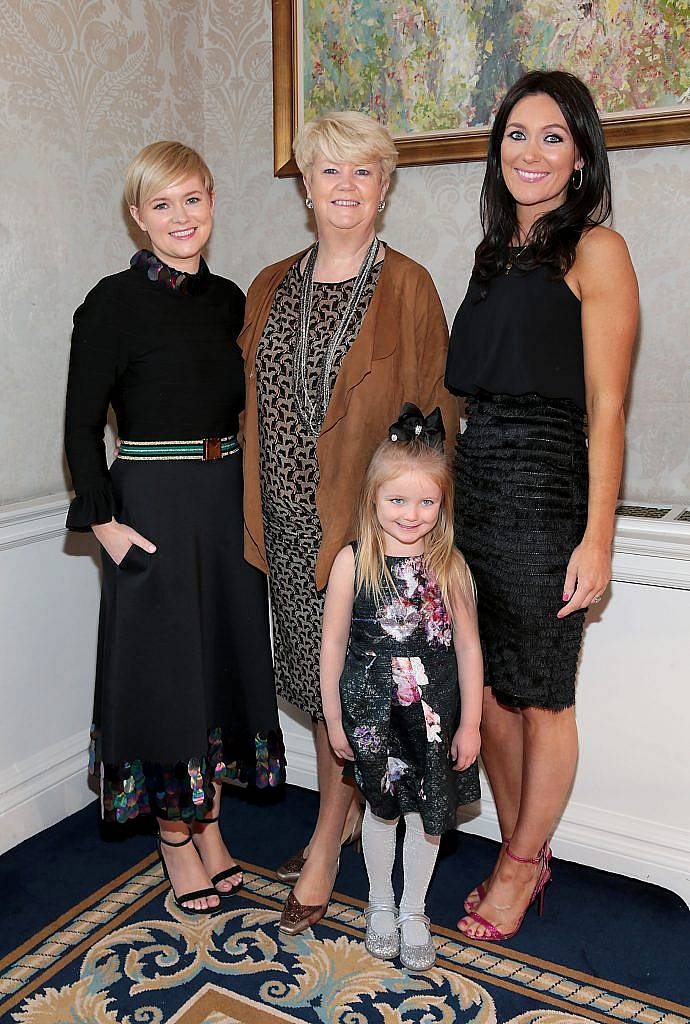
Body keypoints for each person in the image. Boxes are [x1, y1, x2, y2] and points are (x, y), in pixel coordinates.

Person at [237, 111, 459, 933]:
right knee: (315, 686)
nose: (345, 188)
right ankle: (333, 824)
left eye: (363, 173)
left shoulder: (408, 286)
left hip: (368, 539)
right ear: (305, 185)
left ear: (386, 186)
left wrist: (417, 546)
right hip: (289, 528)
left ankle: (329, 843)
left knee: (353, 694)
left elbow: (437, 423)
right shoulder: (267, 286)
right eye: (329, 171)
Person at [64, 141, 283, 916]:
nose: (181, 216)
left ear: (213, 202)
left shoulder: (230, 300)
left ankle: (212, 828)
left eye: (193, 199)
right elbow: (81, 425)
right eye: (162, 204)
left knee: (217, 666)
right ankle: (173, 839)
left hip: (226, 500)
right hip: (150, 504)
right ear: (138, 218)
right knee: (162, 676)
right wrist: (107, 525)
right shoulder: (109, 304)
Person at [445, 71, 638, 941]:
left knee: (543, 696)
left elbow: (608, 407)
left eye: (552, 136)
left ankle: (519, 864)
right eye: (516, 134)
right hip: (475, 488)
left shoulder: (595, 251)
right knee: (488, 695)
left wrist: (597, 539)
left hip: (548, 488)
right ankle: (525, 846)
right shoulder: (492, 255)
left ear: (581, 154)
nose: (530, 152)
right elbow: (462, 393)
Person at [318, 405, 483, 970]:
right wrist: (335, 720)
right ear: (373, 499)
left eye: (426, 502)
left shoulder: (451, 566)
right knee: (381, 813)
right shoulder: (353, 562)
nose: (412, 514)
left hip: (433, 719)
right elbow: (333, 648)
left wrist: (472, 722)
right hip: (371, 716)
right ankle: (380, 905)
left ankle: (415, 910)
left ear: (443, 505)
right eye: (397, 500)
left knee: (426, 819)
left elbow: (467, 649)